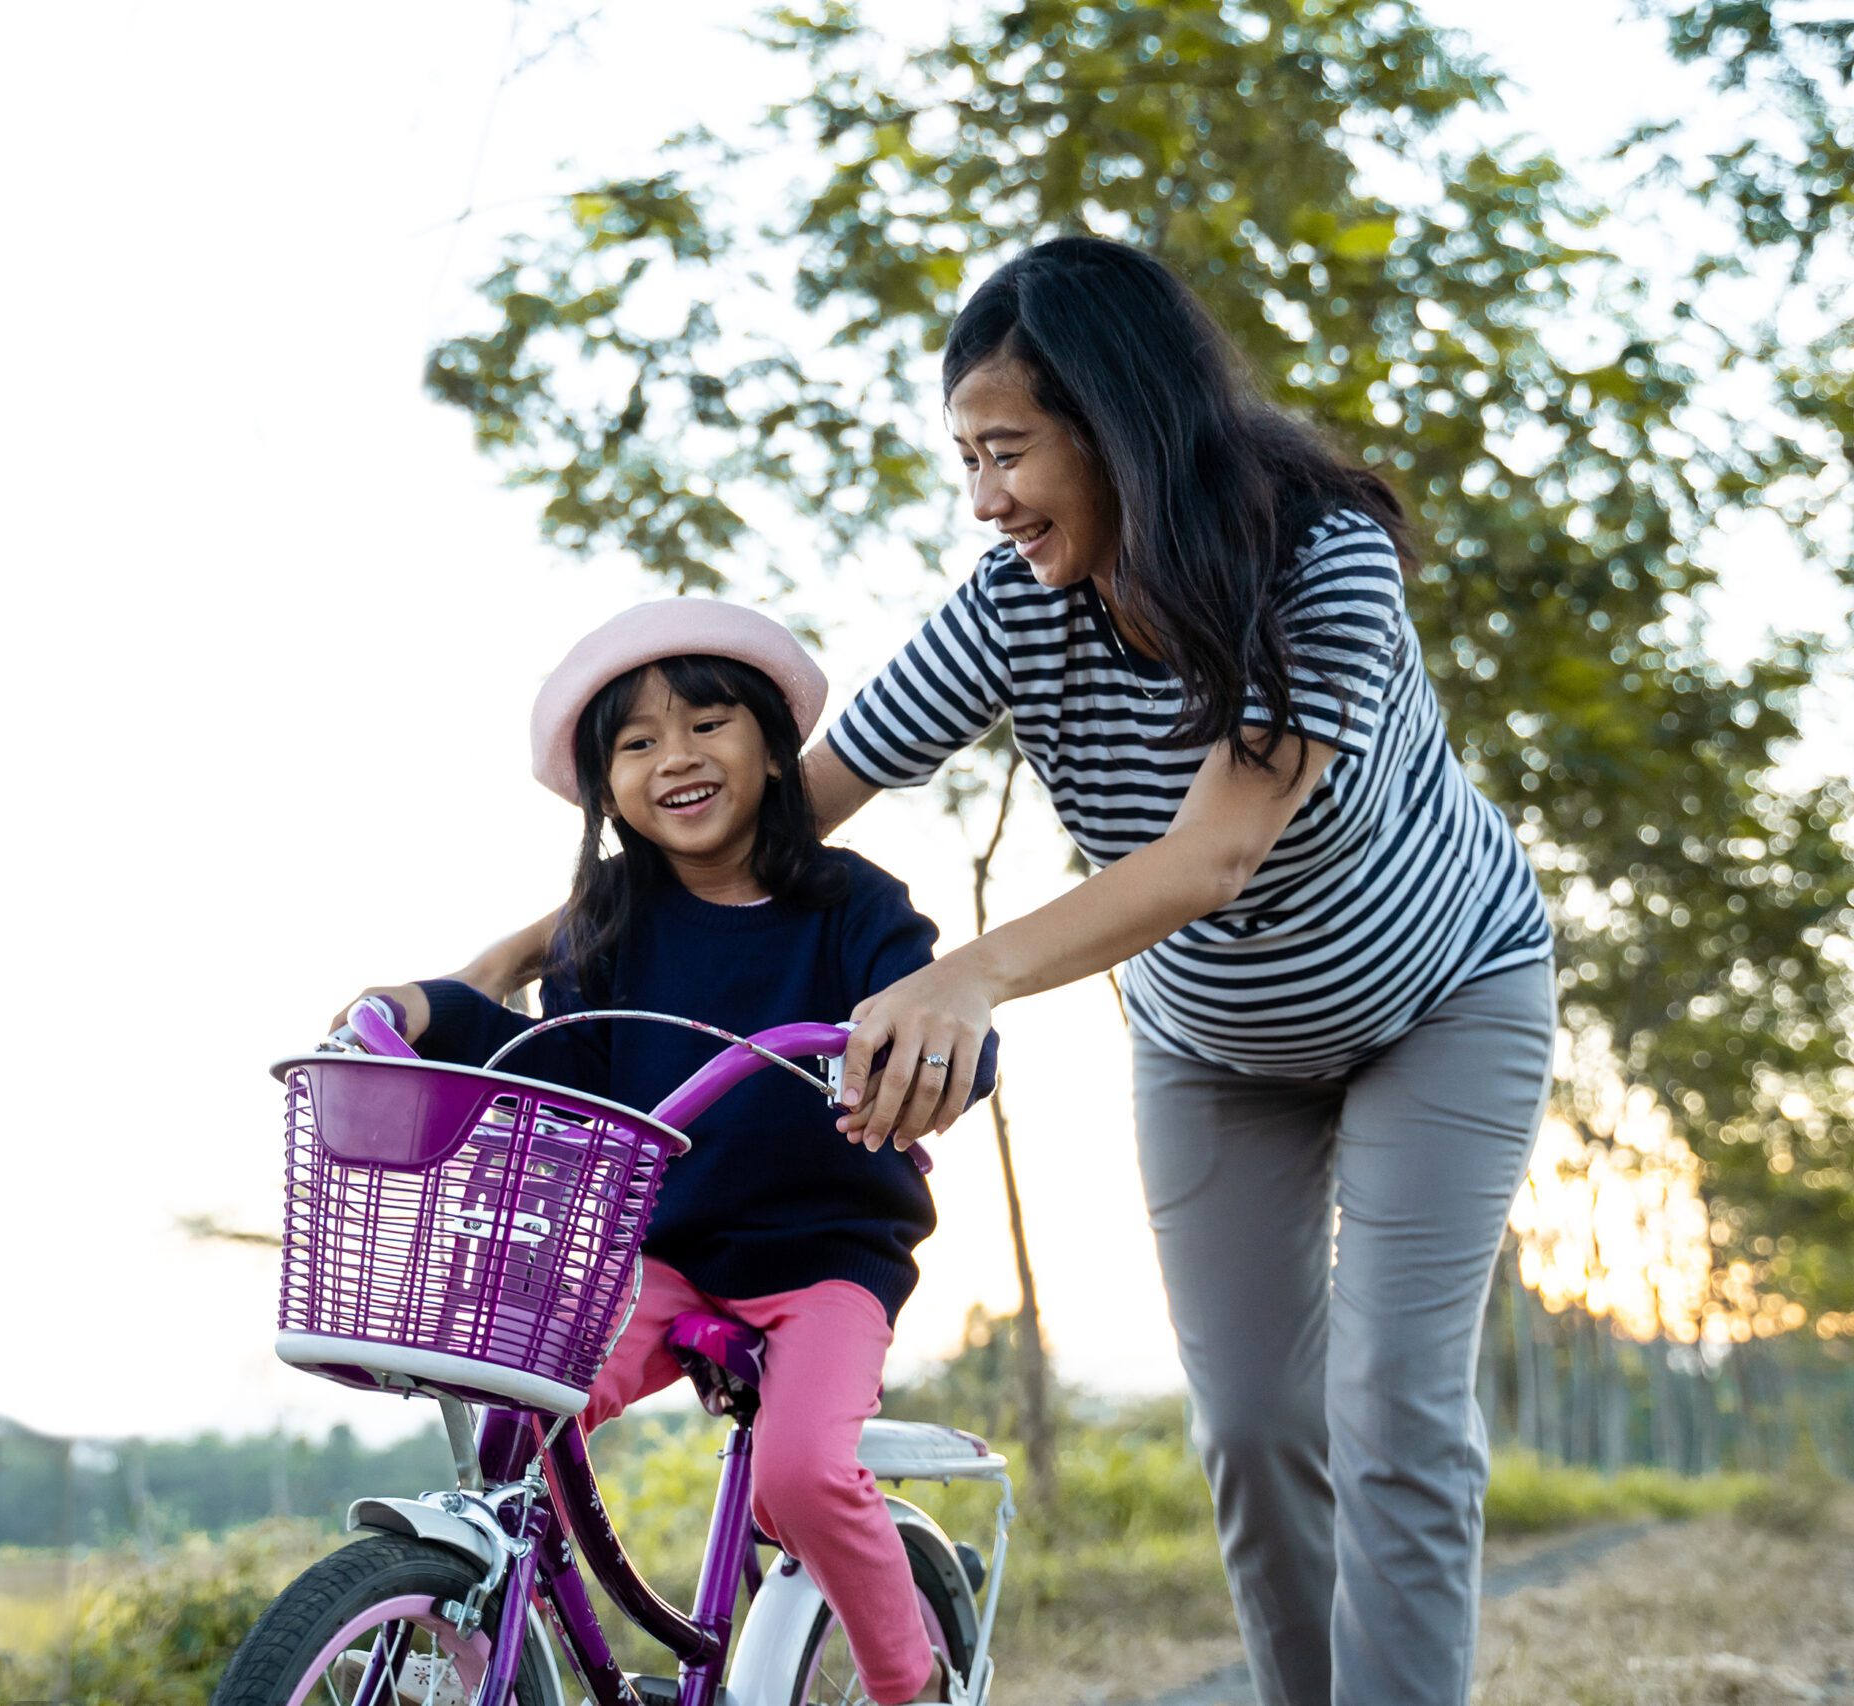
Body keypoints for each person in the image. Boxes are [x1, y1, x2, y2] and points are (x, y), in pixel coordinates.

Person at [439, 237, 1557, 1706]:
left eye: (1009, 451)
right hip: (1215, 1040)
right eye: (968, 457)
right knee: (1257, 1421)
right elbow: (798, 800)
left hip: (1443, 1002)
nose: (986, 498)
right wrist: (541, 940)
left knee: (1391, 1412)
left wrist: (964, 973)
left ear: (1123, 424)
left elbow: (1210, 854)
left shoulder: (1318, 565)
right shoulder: (1015, 600)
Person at [343, 597, 996, 1705]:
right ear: (605, 789)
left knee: (798, 1471)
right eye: (636, 744)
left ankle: (906, 1677)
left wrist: (938, 1066)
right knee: (526, 1399)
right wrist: (435, 1011)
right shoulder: (612, 920)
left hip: (829, 1257)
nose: (675, 759)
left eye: (706, 724)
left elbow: (943, 1032)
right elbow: (561, 1064)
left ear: (772, 747)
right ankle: (496, 1630)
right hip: (668, 1250)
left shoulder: (852, 905)